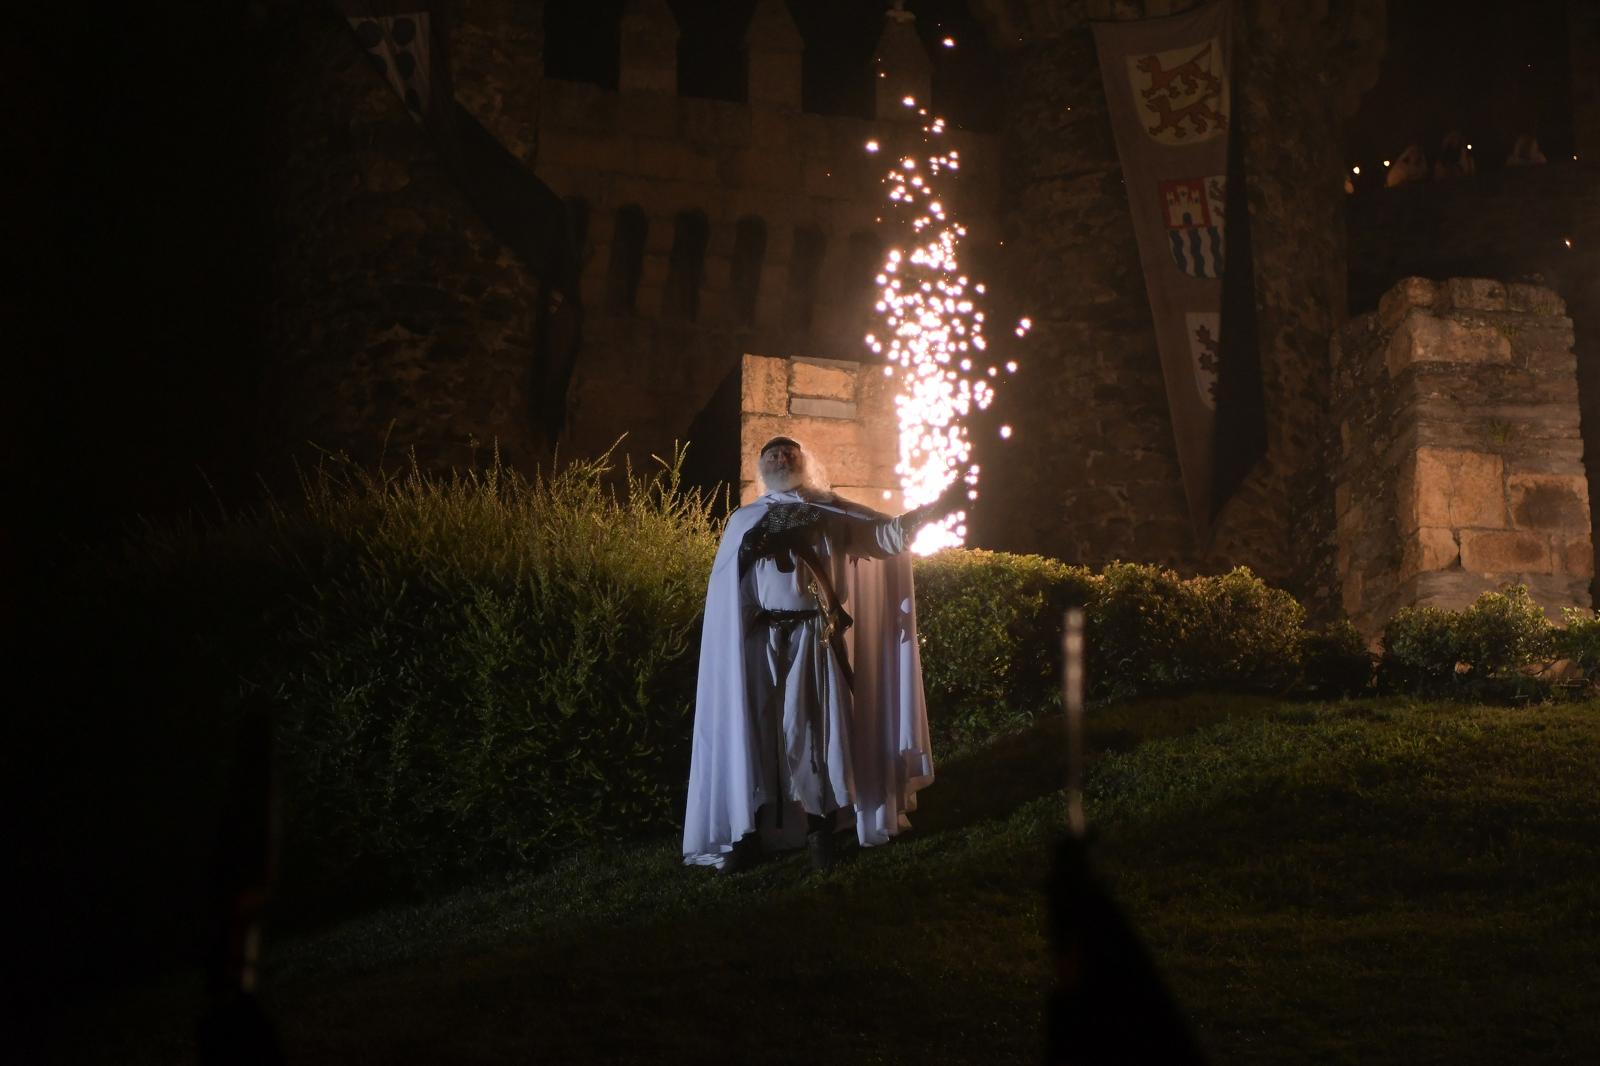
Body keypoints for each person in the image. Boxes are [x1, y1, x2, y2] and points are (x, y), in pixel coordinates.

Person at [681, 436, 966, 873]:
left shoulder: (830, 511)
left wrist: (930, 513)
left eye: (788, 453)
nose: (780, 458)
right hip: (760, 643)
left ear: (803, 460)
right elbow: (725, 588)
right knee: (755, 732)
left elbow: (882, 537)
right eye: (772, 455)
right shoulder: (745, 520)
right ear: (761, 467)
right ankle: (749, 832)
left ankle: (820, 831)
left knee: (814, 731)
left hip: (813, 638)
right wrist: (751, 550)